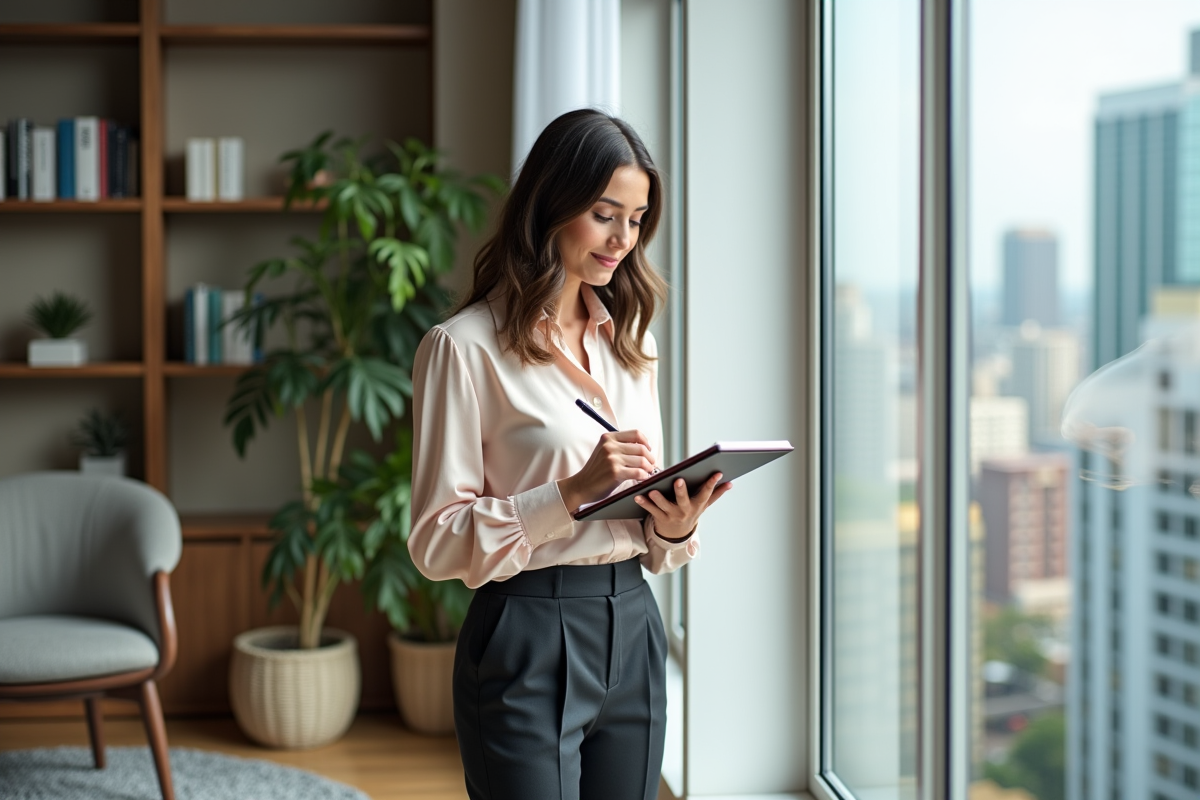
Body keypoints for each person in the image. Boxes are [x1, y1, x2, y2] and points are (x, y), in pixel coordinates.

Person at [408, 108, 730, 800]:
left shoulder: (631, 346)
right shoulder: (462, 349)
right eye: (605, 214)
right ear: (551, 204)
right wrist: (570, 492)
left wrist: (674, 524)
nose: (623, 239)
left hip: (634, 627)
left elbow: (645, 519)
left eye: (638, 219)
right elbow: (435, 542)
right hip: (525, 632)